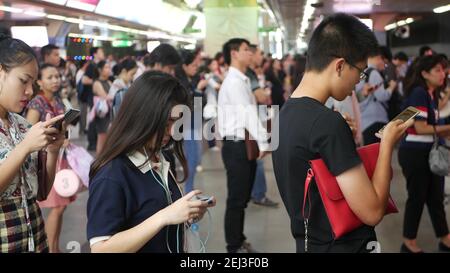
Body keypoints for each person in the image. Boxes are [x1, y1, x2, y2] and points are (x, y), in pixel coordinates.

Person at [272, 13, 413, 253]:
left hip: (308, 244)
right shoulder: (327, 123)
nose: (358, 82)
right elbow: (372, 211)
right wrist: (387, 144)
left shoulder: (285, 113)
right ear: (339, 65)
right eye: (360, 72)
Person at [87, 71, 215, 253]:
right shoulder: (112, 175)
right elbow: (101, 249)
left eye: (177, 123)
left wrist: (186, 213)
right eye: (166, 122)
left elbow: (152, 216)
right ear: (142, 116)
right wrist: (164, 216)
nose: (171, 132)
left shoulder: (161, 156)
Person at [0, 35, 65, 252]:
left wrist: (53, 151)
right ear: (1, 72)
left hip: (34, 238)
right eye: (23, 81)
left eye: (32, 83)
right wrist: (25, 147)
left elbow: (42, 193)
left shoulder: (21, 125)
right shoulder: (25, 134)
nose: (29, 91)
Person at [218, 38, 271, 253]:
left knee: (242, 197)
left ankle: (238, 239)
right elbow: (247, 114)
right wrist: (265, 141)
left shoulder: (243, 79)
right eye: (246, 50)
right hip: (236, 146)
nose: (250, 54)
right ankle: (233, 246)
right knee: (236, 199)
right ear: (234, 53)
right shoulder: (234, 82)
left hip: (242, 144)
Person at [398, 55, 450, 253]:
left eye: (443, 69)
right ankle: (408, 242)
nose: (442, 73)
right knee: (417, 198)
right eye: (437, 70)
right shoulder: (419, 93)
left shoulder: (431, 94)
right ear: (424, 73)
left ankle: (445, 238)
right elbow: (420, 128)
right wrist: (446, 130)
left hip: (428, 153)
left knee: (435, 197)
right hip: (415, 154)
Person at [24, 64, 75, 253]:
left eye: (57, 76)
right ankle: (51, 248)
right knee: (58, 206)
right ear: (39, 82)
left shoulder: (58, 101)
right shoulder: (37, 103)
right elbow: (28, 133)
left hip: (60, 157)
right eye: (50, 77)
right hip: (46, 158)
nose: (55, 80)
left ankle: (55, 246)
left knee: (62, 206)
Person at [175, 50, 208, 193]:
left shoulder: (194, 80)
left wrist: (199, 91)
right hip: (184, 123)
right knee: (192, 155)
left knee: (195, 155)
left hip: (194, 121)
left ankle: (189, 187)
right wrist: (198, 91)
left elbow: (202, 103)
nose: (196, 68)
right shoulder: (180, 82)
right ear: (184, 66)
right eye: (193, 65)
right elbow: (186, 103)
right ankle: (187, 189)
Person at [92, 61, 112, 155]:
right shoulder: (97, 83)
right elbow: (105, 96)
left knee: (107, 139)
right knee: (102, 138)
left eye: (109, 67)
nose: (109, 70)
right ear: (100, 70)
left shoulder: (109, 81)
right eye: (106, 67)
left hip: (109, 113)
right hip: (102, 114)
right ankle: (98, 164)